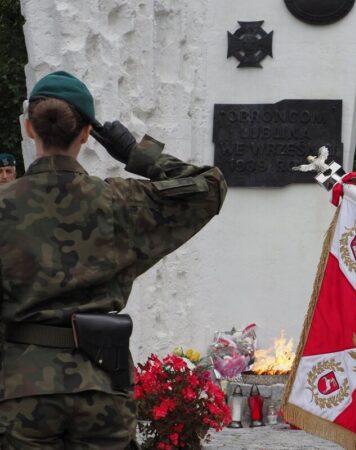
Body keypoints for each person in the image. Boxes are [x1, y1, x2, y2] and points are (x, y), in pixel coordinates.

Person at [0, 71, 226, 448]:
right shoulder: (118, 203)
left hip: (22, 392)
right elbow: (210, 187)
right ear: (87, 133)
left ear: (28, 128)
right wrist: (135, 154)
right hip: (102, 384)